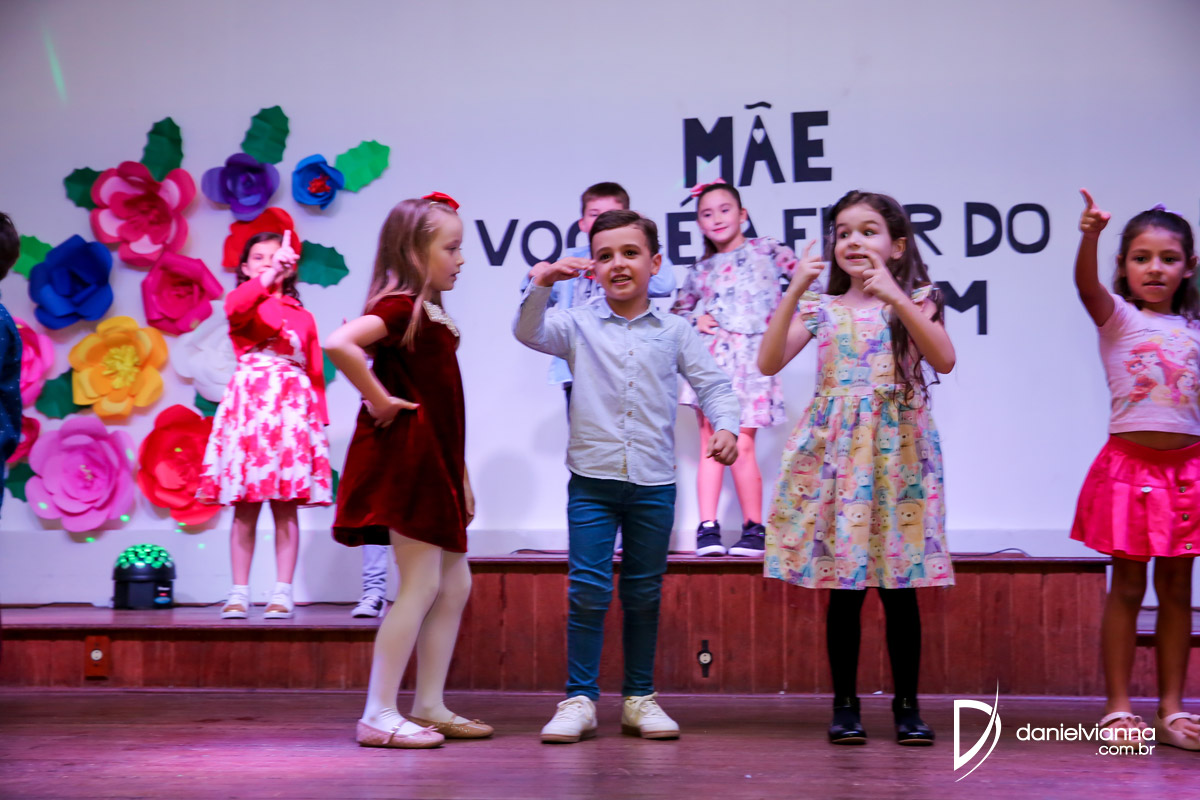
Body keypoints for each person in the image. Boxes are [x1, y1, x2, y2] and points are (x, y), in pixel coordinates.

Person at [515, 209, 739, 743]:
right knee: (587, 593)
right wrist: (542, 282)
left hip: (654, 485)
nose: (618, 264)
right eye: (605, 255)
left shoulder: (675, 330)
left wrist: (726, 426)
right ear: (592, 267)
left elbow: (714, 385)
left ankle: (640, 699)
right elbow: (529, 331)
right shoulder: (577, 324)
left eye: (630, 253)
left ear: (654, 264)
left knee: (643, 594)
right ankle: (579, 699)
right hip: (591, 483)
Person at [758, 190, 956, 746]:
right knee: (843, 587)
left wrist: (893, 294)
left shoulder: (918, 300)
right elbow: (768, 361)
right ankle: (844, 705)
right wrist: (794, 289)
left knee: (899, 587)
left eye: (868, 231)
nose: (853, 241)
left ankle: (907, 706)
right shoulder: (822, 308)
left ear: (897, 246)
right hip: (841, 460)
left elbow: (943, 358)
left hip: (898, 458)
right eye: (843, 232)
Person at [326, 193, 490, 749]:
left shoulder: (428, 313)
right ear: (415, 253)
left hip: (437, 465)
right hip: (410, 465)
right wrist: (377, 399)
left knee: (455, 583)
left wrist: (461, 475)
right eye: (451, 248)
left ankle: (428, 704)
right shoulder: (400, 307)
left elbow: (444, 406)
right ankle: (377, 712)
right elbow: (339, 343)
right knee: (421, 584)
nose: (460, 259)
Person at [1070, 190, 1200, 750]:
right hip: (1129, 469)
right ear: (1123, 266)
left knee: (1177, 588)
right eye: (1141, 258)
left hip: (1187, 473)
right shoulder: (1120, 319)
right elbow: (1085, 287)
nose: (1155, 269)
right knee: (1126, 586)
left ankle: (1172, 710)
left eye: (1168, 259)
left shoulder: (1194, 328)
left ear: (1188, 267)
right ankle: (1118, 709)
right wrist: (1090, 237)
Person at [197, 230, 333, 620]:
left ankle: (282, 592)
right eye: (259, 258)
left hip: (291, 411)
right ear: (245, 267)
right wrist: (270, 276)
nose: (267, 263)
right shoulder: (243, 303)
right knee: (245, 505)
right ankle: (239, 592)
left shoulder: (303, 316)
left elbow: (315, 372)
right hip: (251, 409)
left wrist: (318, 425)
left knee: (286, 506)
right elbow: (237, 306)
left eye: (275, 257)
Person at [672, 181, 799, 556]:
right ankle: (707, 527)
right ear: (699, 223)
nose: (717, 218)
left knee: (742, 443)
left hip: (754, 361)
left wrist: (789, 325)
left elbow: (810, 283)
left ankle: (753, 527)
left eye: (725, 210)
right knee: (711, 442)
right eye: (707, 213)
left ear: (743, 214)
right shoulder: (701, 269)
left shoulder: (768, 250)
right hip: (714, 363)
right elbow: (677, 313)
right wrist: (696, 320)